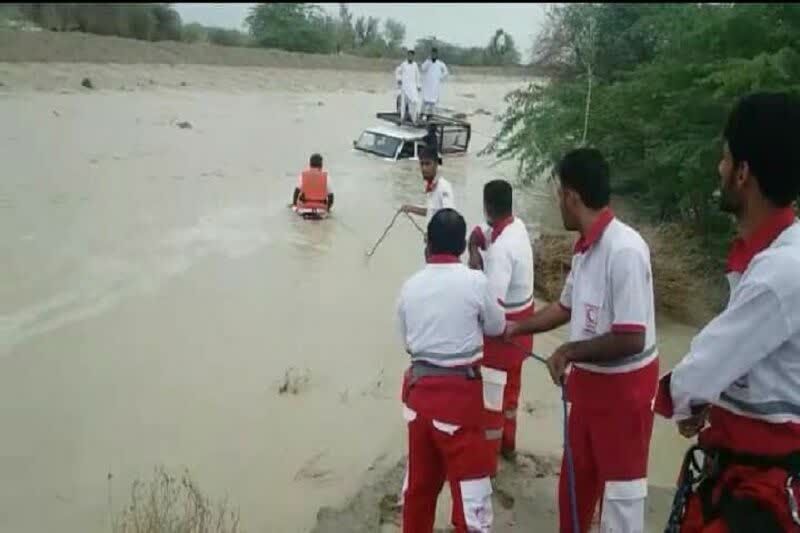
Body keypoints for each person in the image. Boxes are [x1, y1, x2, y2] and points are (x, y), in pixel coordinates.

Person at [654, 92, 800, 532]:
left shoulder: (779, 272)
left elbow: (702, 367)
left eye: (724, 158)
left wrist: (675, 398)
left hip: (759, 488)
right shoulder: (770, 258)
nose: (718, 169)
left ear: (743, 173)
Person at [506, 148, 659, 533]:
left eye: (559, 194)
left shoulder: (624, 250)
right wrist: (515, 328)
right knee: (575, 485)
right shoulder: (585, 249)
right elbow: (564, 307)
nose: (558, 202)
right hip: (588, 390)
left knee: (621, 501)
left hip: (624, 396)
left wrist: (568, 350)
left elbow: (631, 337)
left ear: (571, 197)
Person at [397, 207, 505, 533]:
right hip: (459, 404)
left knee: (419, 488)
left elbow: (407, 343)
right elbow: (497, 326)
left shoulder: (409, 287)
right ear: (461, 248)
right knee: (471, 496)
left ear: (427, 244)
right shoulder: (476, 282)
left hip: (418, 402)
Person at [467, 179, 534, 464]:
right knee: (511, 395)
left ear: (487, 206)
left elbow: (493, 312)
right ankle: (508, 445)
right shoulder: (516, 228)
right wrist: (473, 247)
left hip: (504, 335)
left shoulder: (501, 251)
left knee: (492, 400)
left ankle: (488, 461)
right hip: (524, 331)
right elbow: (481, 233)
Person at [399, 146, 454, 228]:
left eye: (428, 164)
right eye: (422, 164)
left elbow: (449, 216)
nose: (424, 168)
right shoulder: (431, 186)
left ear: (436, 164)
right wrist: (410, 208)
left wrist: (435, 234)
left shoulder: (443, 186)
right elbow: (432, 211)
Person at [420, 47, 449, 121]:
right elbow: (422, 68)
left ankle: (430, 118)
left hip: (435, 87)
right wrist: (427, 60)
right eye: (432, 54)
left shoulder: (440, 64)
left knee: (432, 104)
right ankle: (420, 117)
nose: (433, 55)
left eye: (435, 54)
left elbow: (446, 72)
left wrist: (440, 77)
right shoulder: (428, 63)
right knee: (424, 103)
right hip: (427, 86)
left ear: (437, 55)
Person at [395, 49, 421, 124]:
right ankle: (402, 118)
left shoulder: (415, 65)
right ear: (407, 56)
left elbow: (417, 75)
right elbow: (397, 71)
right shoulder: (403, 64)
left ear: (413, 56)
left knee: (415, 101)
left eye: (412, 56)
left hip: (412, 87)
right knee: (403, 103)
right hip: (405, 87)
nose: (410, 57)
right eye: (409, 55)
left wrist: (418, 85)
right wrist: (399, 79)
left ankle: (414, 118)